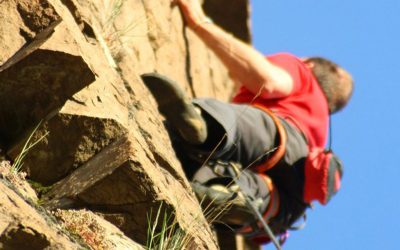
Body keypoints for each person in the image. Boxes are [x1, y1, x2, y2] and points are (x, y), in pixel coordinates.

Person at [141, 0, 353, 245]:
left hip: (279, 139)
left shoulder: (303, 73)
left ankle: (205, 126)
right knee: (245, 190)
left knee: (247, 127)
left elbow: (269, 81)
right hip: (287, 206)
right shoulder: (319, 135)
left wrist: (199, 22)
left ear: (310, 64)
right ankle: (225, 193)